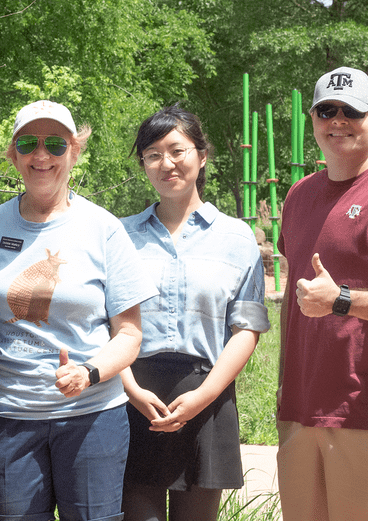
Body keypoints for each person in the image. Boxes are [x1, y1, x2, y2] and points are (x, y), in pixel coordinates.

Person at [0, 100, 157, 521]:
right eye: (28, 144)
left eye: (55, 144)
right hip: (9, 415)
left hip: (91, 417)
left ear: (74, 150)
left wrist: (89, 372)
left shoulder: (104, 228)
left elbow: (129, 335)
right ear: (13, 154)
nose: (42, 155)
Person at [119, 105, 270, 521]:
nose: (165, 163)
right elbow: (105, 323)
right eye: (152, 154)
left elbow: (246, 328)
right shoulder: (120, 236)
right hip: (134, 395)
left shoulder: (236, 238)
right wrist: (131, 389)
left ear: (202, 156)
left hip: (207, 394)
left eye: (177, 150)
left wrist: (204, 396)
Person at [277, 66, 368, 521]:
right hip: (300, 414)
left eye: (352, 111)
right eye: (326, 110)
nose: (338, 120)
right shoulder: (297, 196)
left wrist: (343, 300)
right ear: (312, 119)